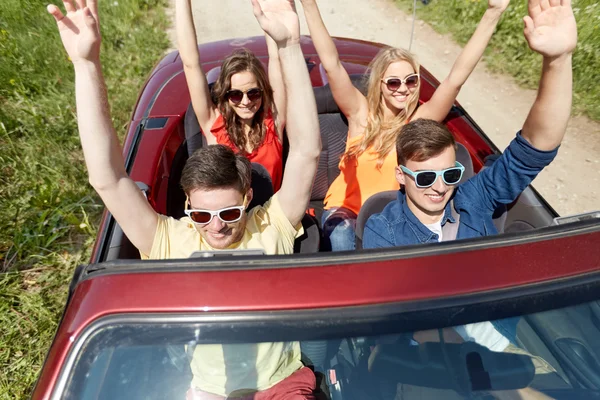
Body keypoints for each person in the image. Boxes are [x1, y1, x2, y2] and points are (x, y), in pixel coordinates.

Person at [47, 0, 320, 397]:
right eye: (201, 215)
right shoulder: (170, 240)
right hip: (209, 390)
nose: (216, 227)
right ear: (187, 206)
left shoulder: (272, 222)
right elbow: (106, 179)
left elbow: (308, 151)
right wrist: (86, 65)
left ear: (247, 198)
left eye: (228, 212)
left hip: (281, 382)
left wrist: (291, 45)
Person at [364, 0, 577, 397]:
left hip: (497, 341)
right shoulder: (383, 231)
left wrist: (559, 60)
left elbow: (534, 148)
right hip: (428, 364)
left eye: (450, 174)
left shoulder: (472, 198)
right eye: (425, 176)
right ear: (401, 176)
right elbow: (406, 322)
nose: (440, 186)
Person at [300, 0, 510, 251]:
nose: (403, 88)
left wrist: (493, 12)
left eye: (411, 81)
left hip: (390, 217)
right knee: (343, 239)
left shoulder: (418, 124)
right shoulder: (360, 114)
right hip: (346, 213)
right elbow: (332, 65)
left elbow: (455, 79)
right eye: (393, 82)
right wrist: (309, 4)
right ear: (379, 83)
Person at [176, 0, 286, 191]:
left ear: (263, 91)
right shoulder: (213, 124)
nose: (246, 102)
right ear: (225, 95)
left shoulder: (274, 120)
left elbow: (277, 58)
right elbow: (190, 63)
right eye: (235, 94)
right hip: (230, 218)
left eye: (253, 93)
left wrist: (268, 12)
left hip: (273, 218)